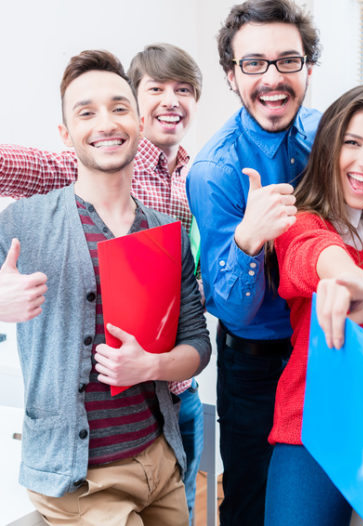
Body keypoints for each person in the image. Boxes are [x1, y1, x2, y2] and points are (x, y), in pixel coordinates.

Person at [186, 0, 363, 524]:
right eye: (353, 144)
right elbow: (309, 256)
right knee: (253, 500)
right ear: (232, 74)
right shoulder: (289, 211)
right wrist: (342, 277)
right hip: (296, 392)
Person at [0, 50, 210, 525]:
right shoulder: (25, 223)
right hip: (80, 480)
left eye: (118, 108)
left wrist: (151, 365)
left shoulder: (164, 230)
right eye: (86, 112)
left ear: (138, 122)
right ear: (65, 134)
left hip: (161, 462)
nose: (105, 123)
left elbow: (197, 342)